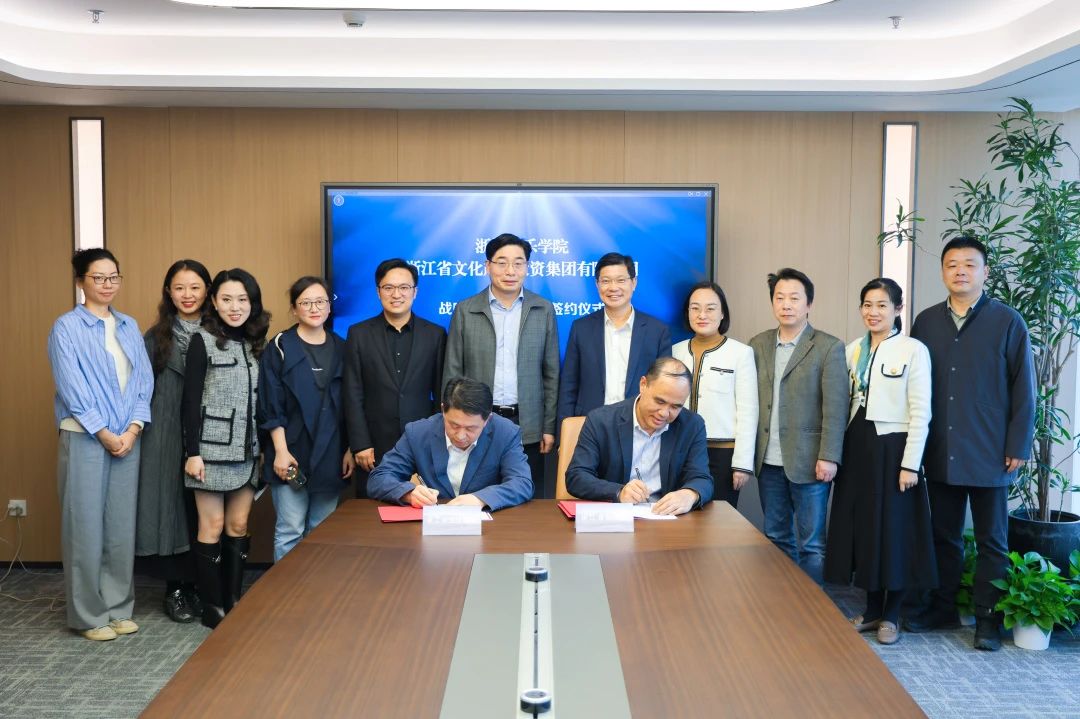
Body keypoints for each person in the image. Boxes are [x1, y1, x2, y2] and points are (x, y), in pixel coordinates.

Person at [905, 236, 1035, 651]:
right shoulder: (926, 322)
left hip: (991, 450)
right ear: (942, 272)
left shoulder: (1008, 321)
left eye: (969, 264)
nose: (960, 271)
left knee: (992, 541)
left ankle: (988, 621)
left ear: (985, 271)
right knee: (943, 535)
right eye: (952, 264)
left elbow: (1024, 389)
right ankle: (943, 608)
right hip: (940, 448)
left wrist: (1018, 444)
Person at [47, 248, 153, 641]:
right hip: (85, 437)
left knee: (120, 527)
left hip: (128, 437)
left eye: (113, 277)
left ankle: (117, 607)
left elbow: (143, 381)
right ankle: (89, 615)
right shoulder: (66, 327)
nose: (107, 284)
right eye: (98, 277)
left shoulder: (128, 325)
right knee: (85, 526)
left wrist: (133, 429)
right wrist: (104, 432)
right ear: (81, 281)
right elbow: (71, 387)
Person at [823, 278, 936, 646]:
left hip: (893, 449)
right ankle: (872, 610)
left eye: (882, 305)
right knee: (865, 530)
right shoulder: (852, 350)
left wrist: (910, 464)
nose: (873, 312)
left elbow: (921, 412)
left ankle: (892, 615)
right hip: (857, 447)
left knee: (895, 532)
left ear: (898, 309)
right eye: (867, 305)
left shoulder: (913, 350)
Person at [182, 268, 270, 628]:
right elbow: (189, 401)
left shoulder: (257, 342)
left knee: (238, 524)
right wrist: (192, 452)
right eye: (227, 299)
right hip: (210, 452)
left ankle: (234, 600)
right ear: (214, 303)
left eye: (242, 299)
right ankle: (212, 605)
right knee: (213, 525)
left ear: (253, 303)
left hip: (248, 450)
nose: (235, 307)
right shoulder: (202, 340)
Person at [749, 268, 847, 585]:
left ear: (809, 304)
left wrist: (829, 456)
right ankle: (783, 603)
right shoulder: (758, 344)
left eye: (794, 298)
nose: (786, 304)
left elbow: (836, 408)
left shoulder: (828, 347)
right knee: (776, 536)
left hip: (810, 461)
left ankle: (813, 607)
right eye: (780, 298)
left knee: (812, 544)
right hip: (768, 460)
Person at [444, 233, 559, 497]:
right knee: (476, 497)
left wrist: (548, 426)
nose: (510, 271)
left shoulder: (543, 309)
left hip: (527, 424)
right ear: (488, 266)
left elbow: (551, 374)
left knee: (526, 498)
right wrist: (454, 424)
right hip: (477, 422)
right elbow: (452, 372)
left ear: (527, 267)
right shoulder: (466, 310)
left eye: (518, 263)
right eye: (502, 262)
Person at [136, 259, 212, 624]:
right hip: (164, 435)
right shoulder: (155, 337)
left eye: (195, 287)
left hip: (210, 435)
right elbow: (138, 391)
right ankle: (177, 588)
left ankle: (202, 585)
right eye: (179, 288)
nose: (187, 295)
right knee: (173, 510)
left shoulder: (220, 332)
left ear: (207, 291)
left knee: (206, 511)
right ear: (169, 292)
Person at [259, 277, 354, 562]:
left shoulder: (343, 348)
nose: (314, 308)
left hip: (331, 452)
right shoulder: (280, 346)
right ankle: (287, 591)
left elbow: (351, 403)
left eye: (321, 301)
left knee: (321, 531)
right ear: (294, 308)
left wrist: (350, 448)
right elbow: (270, 404)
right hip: (290, 452)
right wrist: (280, 451)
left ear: (329, 306)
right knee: (290, 530)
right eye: (306, 302)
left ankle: (316, 590)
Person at [344, 259, 445, 498]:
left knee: (422, 507)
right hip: (373, 446)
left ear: (415, 292)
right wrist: (360, 443)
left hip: (422, 445)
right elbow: (352, 392)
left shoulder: (435, 334)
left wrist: (436, 443)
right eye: (388, 287)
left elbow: (441, 392)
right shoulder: (359, 334)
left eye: (404, 287)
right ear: (378, 291)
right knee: (372, 511)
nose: (396, 294)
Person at [565, 357, 713, 515]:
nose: (664, 413)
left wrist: (690, 494)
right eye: (659, 401)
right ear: (643, 385)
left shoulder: (692, 425)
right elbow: (577, 477)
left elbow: (702, 478)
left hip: (666, 518)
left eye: (675, 407)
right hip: (616, 516)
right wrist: (618, 492)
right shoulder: (601, 420)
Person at [367, 377, 533, 510]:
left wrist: (480, 499)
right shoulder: (418, 433)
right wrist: (408, 493)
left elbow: (522, 483)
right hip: (433, 525)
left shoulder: (505, 433)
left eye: (471, 428)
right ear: (443, 410)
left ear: (487, 419)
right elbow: (379, 478)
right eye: (454, 425)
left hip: (489, 528)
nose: (461, 436)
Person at [557, 252, 671, 430]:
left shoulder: (657, 331)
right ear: (597, 285)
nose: (613, 287)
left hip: (639, 426)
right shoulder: (581, 328)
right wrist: (563, 434)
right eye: (606, 281)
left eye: (620, 280)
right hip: (589, 426)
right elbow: (569, 386)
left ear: (634, 283)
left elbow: (664, 386)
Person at [671, 281, 758, 508]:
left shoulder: (741, 353)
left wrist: (741, 464)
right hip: (680, 451)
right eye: (695, 308)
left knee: (718, 517)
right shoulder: (674, 351)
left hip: (722, 455)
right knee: (681, 516)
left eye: (710, 308)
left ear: (722, 313)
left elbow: (749, 411)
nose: (702, 315)